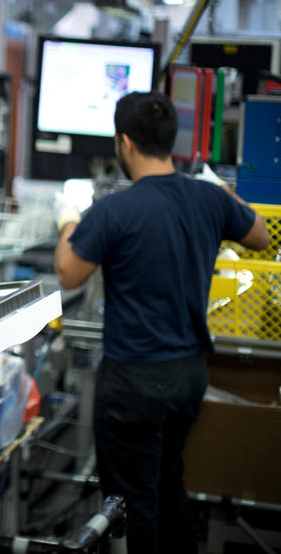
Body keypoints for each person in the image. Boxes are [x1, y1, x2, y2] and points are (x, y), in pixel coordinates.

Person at [53, 90, 270, 554]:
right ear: (170, 141)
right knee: (170, 482)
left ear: (124, 144)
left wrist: (69, 219)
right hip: (188, 375)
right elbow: (260, 234)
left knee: (134, 503)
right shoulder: (208, 197)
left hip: (134, 379)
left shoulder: (113, 209)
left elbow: (68, 272)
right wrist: (226, 201)